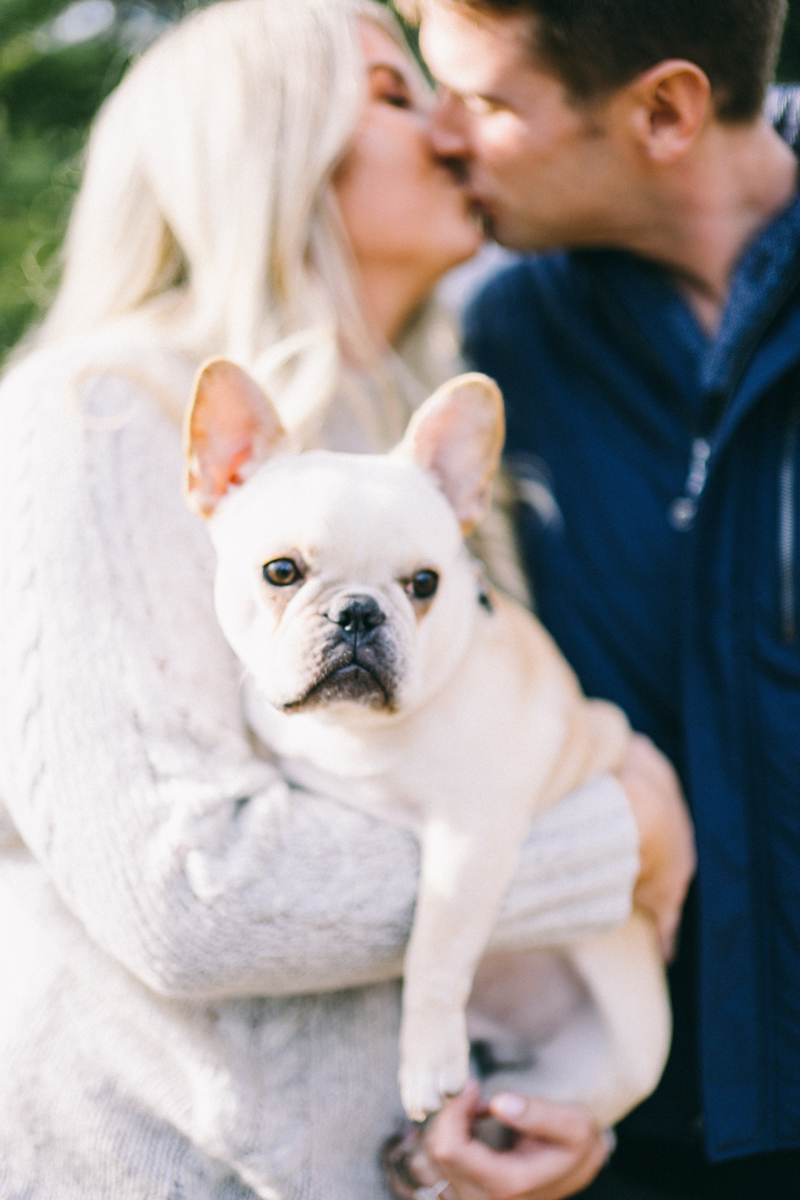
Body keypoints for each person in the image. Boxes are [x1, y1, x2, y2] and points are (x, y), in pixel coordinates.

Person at [0, 1, 692, 1196]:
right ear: (262, 142)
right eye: (391, 92)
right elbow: (184, 897)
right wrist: (604, 833)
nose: (449, 125)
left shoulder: (393, 448)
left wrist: (554, 1104)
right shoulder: (101, 415)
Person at [390, 0, 800, 1197]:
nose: (438, 131)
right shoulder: (492, 352)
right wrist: (579, 1092)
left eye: (485, 101)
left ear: (663, 110)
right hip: (651, 1130)